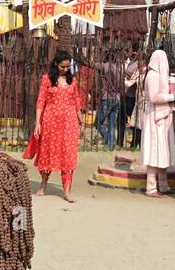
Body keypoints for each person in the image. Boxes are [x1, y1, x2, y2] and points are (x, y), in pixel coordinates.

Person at [32, 49, 84, 202]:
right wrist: (37, 123)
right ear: (56, 64)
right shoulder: (47, 79)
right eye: (63, 67)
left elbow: (77, 102)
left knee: (68, 154)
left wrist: (81, 122)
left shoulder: (72, 81)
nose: (65, 69)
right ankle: (43, 184)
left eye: (68, 67)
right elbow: (41, 101)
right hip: (50, 122)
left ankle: (67, 190)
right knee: (47, 152)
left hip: (69, 122)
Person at [137, 49, 175, 197]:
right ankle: (151, 187)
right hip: (155, 117)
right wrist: (171, 96)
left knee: (161, 150)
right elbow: (154, 98)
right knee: (154, 151)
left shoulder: (157, 75)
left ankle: (164, 184)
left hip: (160, 116)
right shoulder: (153, 76)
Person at [95, 55, 120, 149]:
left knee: (98, 123)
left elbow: (92, 64)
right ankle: (111, 145)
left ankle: (109, 139)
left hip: (106, 98)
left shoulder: (104, 66)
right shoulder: (119, 68)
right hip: (116, 99)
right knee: (112, 124)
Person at [119, 55, 142, 150]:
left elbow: (129, 81)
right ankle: (129, 143)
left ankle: (135, 143)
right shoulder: (133, 64)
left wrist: (122, 72)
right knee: (130, 122)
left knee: (135, 123)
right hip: (129, 96)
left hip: (133, 98)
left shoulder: (138, 67)